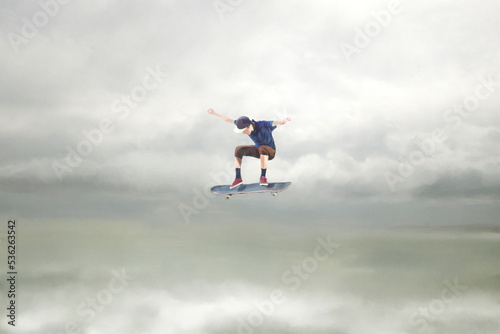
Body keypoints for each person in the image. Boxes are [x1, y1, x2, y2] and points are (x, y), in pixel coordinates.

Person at [207, 108, 291, 189]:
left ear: (248, 126)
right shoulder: (241, 124)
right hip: (258, 150)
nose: (243, 133)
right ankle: (238, 178)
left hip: (270, 151)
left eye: (243, 131)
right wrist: (214, 113)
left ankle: (263, 177)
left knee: (262, 148)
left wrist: (283, 121)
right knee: (238, 149)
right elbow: (228, 120)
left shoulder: (262, 125)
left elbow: (274, 123)